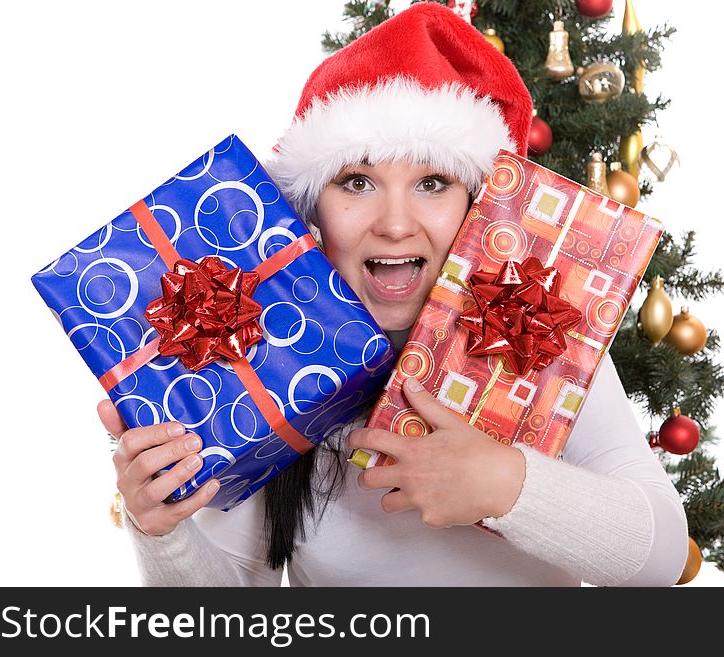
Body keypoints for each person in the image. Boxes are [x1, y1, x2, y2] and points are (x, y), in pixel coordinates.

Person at [98, 2, 688, 587]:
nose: (397, 224)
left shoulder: (539, 332)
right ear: (311, 210)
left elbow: (661, 560)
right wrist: (163, 531)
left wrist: (506, 485)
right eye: (357, 182)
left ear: (478, 206)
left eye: (432, 183)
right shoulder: (269, 358)